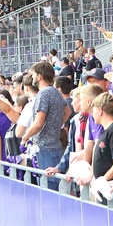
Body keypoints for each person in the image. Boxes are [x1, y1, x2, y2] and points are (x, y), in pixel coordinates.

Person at [20, 61, 71, 190]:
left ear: (40, 76)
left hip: (44, 147)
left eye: (34, 74)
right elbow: (67, 111)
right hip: (54, 145)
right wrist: (55, 124)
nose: (32, 77)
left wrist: (25, 138)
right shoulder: (56, 92)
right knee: (56, 185)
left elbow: (38, 123)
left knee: (48, 187)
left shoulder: (43, 94)